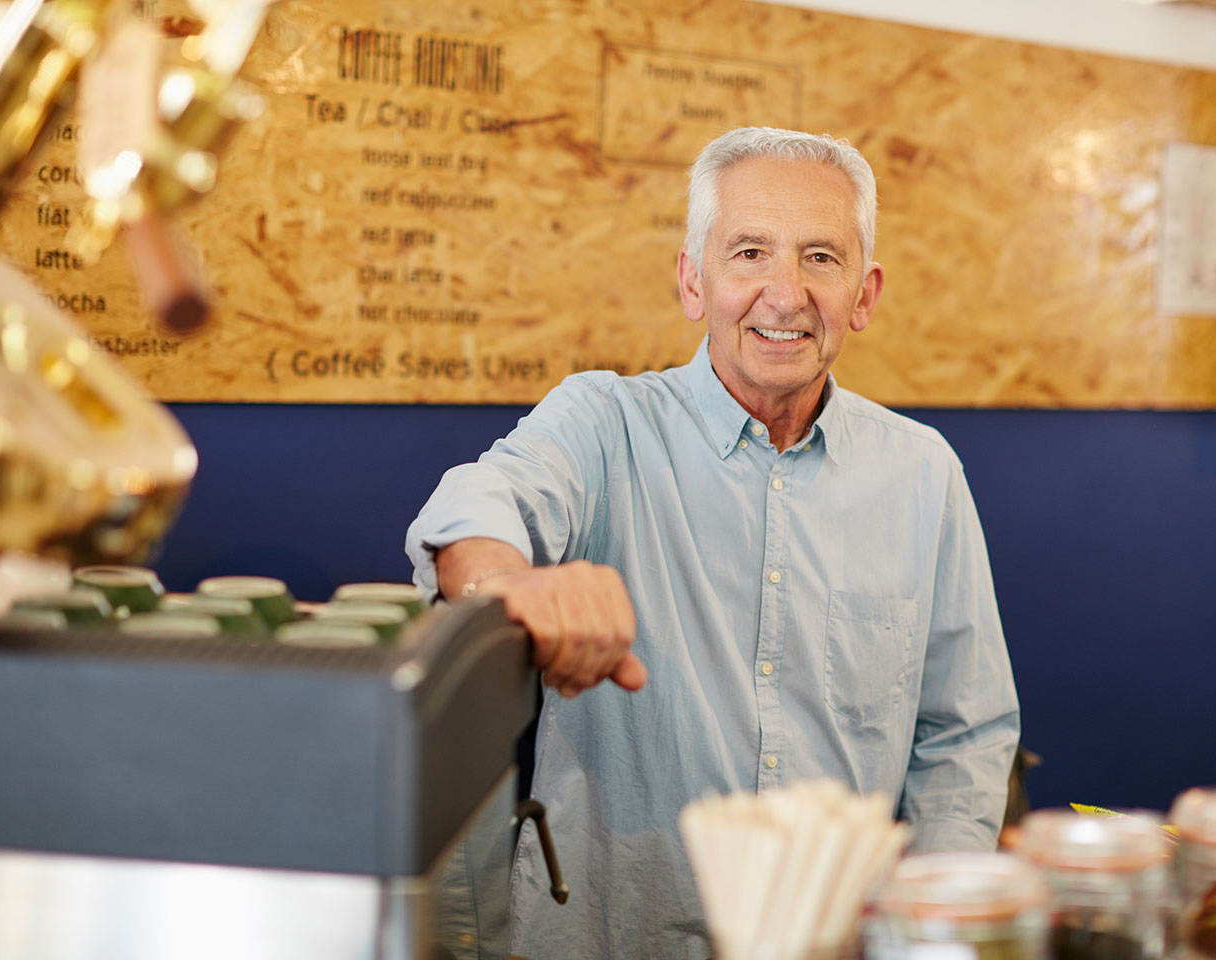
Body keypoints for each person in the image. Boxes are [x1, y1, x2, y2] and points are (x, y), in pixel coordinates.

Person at [406, 126, 1020, 960]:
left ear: (864, 295)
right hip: (609, 936)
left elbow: (964, 737)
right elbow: (479, 505)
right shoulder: (604, 424)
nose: (785, 293)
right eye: (749, 252)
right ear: (693, 279)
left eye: (820, 258)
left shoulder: (924, 474)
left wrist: (941, 926)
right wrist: (506, 587)